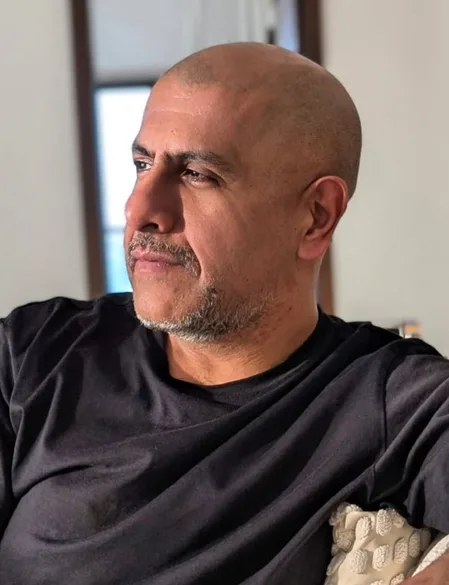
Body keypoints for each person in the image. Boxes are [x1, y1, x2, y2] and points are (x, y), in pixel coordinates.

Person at [0, 42, 448, 585]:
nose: (140, 211)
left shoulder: (391, 397)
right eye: (142, 164)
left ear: (315, 216)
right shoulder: (35, 350)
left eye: (197, 174)